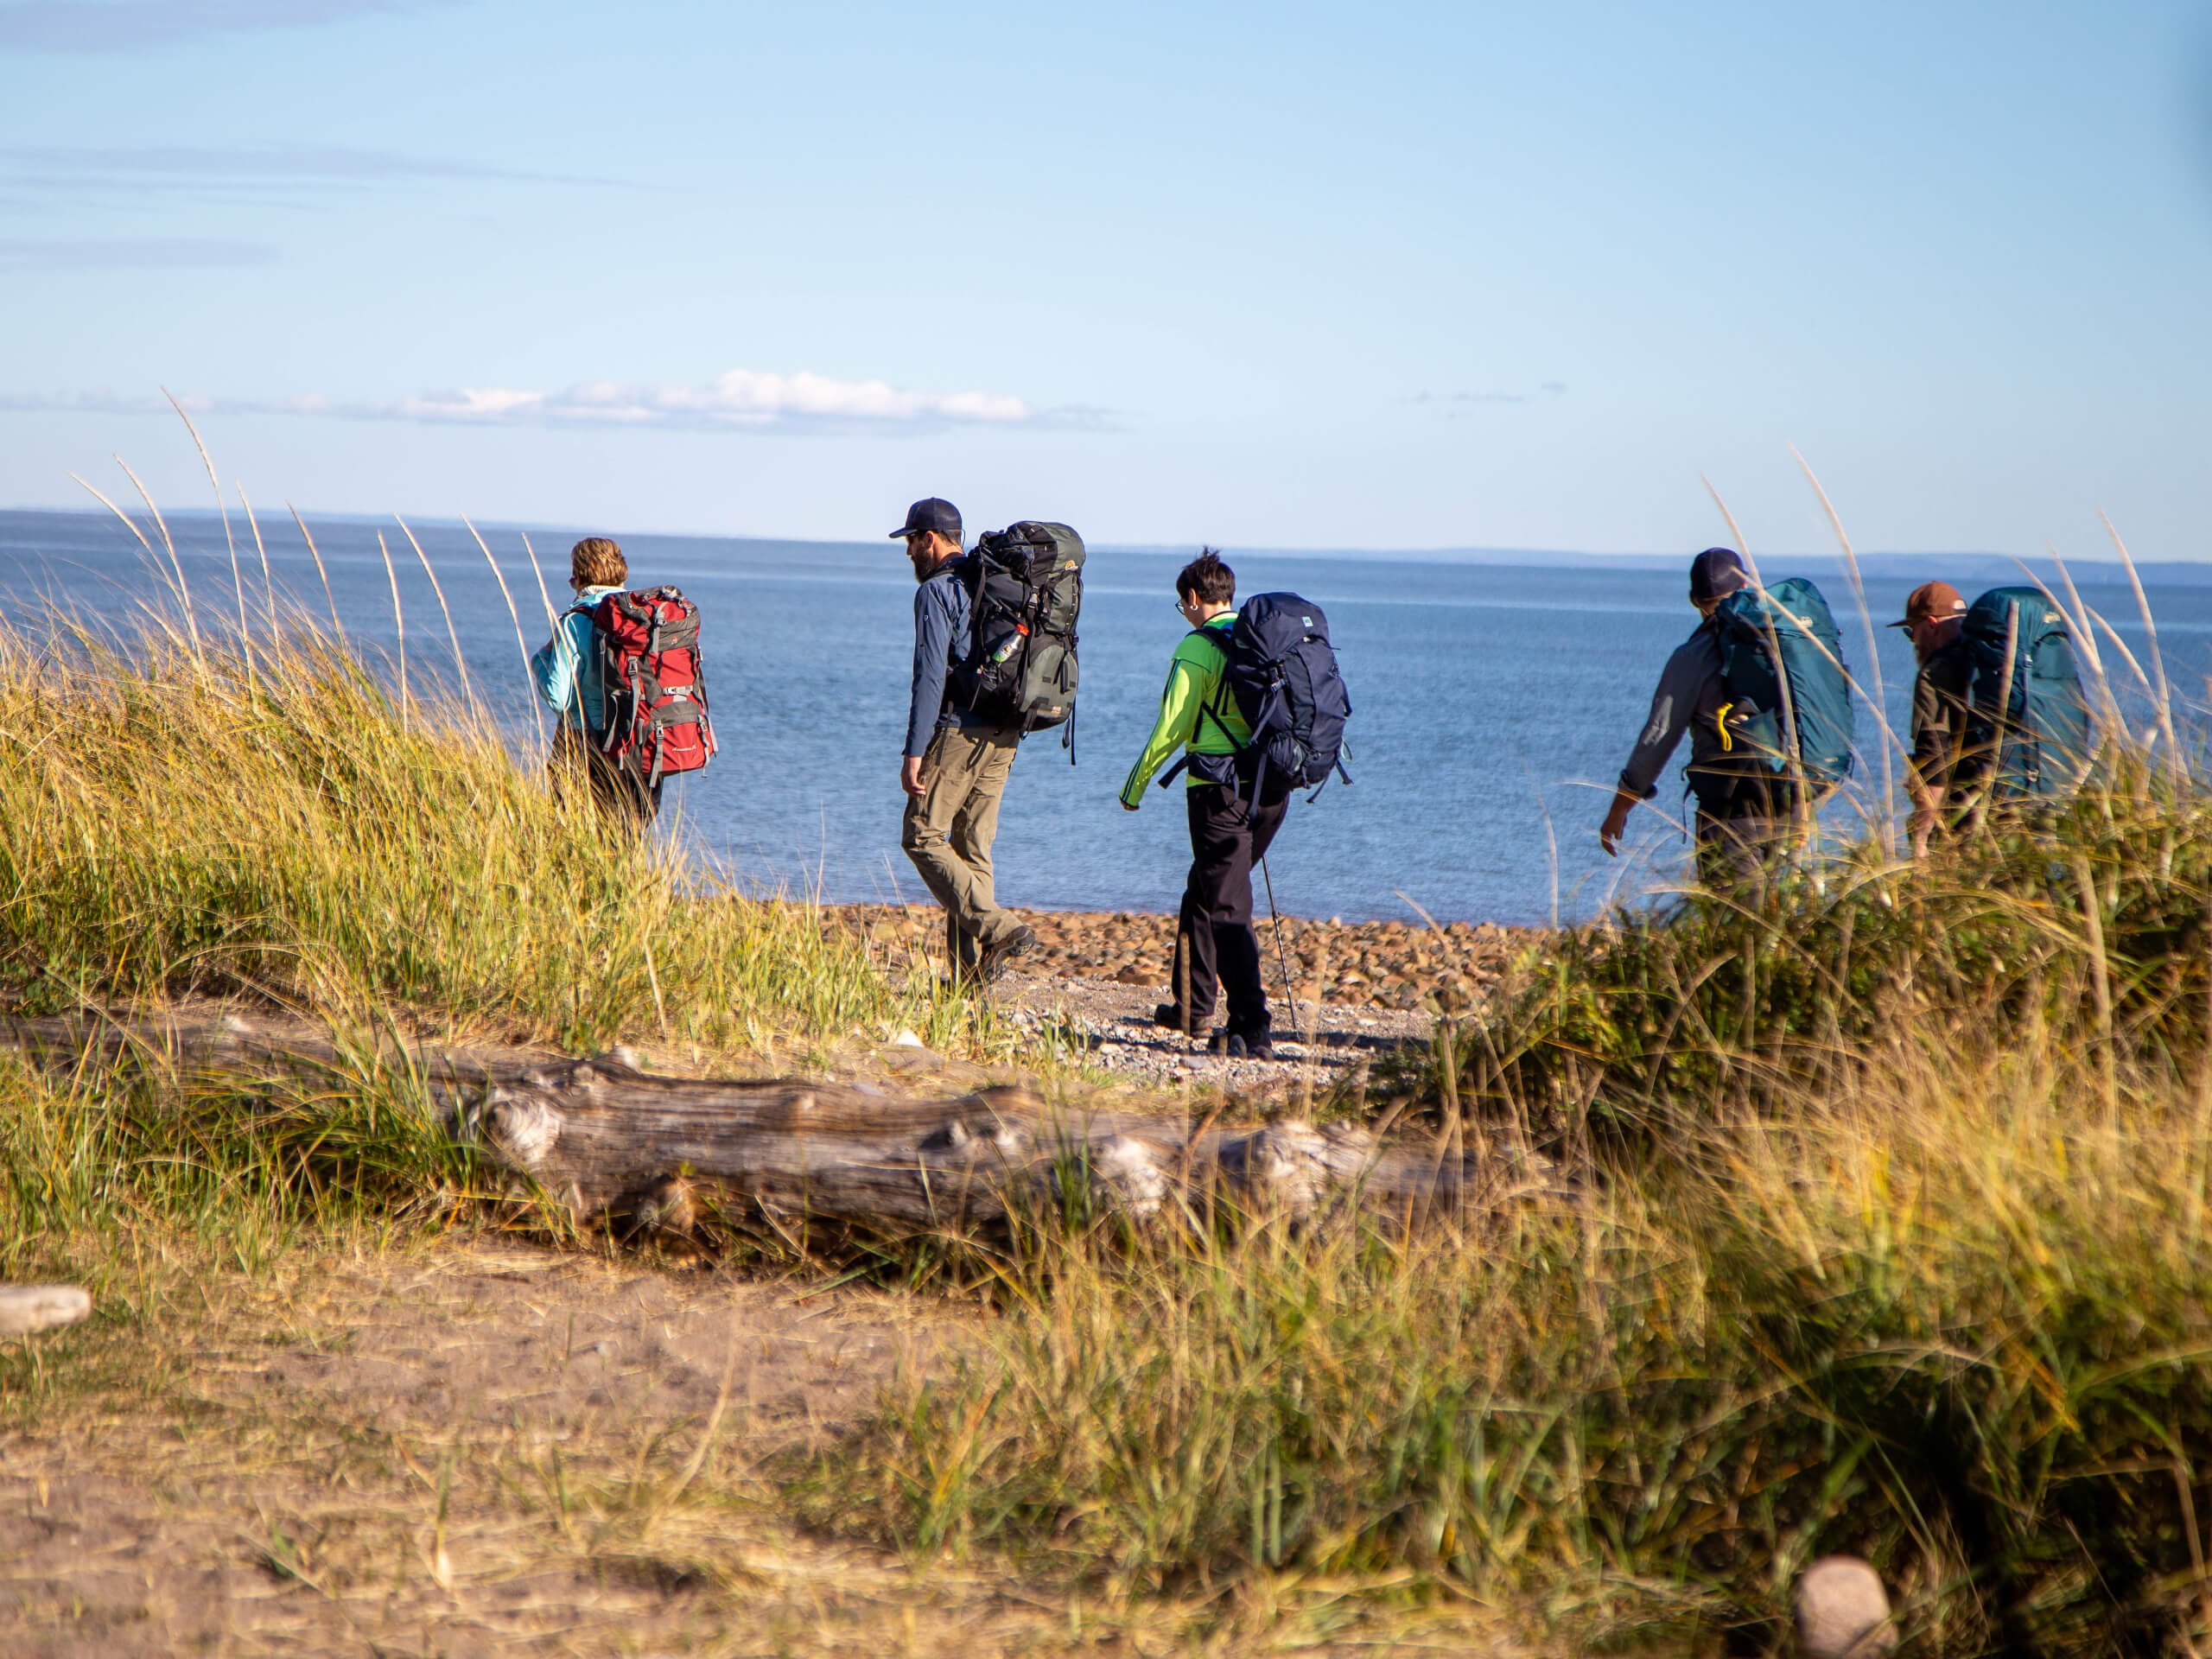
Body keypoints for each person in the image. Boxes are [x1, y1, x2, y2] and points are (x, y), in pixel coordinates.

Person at [1120, 550, 1283, 1059]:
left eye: (1181, 604)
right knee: (1206, 889)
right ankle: (1192, 1007)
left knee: (1227, 904)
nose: (1184, 612)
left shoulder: (1196, 646)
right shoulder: (1266, 641)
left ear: (1192, 598)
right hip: (1274, 791)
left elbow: (1172, 726)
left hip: (1219, 794)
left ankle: (1251, 1027)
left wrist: (1135, 785)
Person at [893, 497, 1038, 984]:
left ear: (929, 540)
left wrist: (914, 753)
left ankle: (1000, 928)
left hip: (962, 731)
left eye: (911, 541)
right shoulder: (990, 581)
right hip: (1007, 731)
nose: (909, 552)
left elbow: (930, 676)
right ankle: (969, 984)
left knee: (922, 835)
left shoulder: (937, 591)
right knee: (972, 849)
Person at [1597, 546, 1784, 879]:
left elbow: (1658, 737)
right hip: (1795, 805)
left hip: (1731, 814)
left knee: (1733, 922)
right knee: (1786, 921)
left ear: (1693, 599)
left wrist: (1619, 809)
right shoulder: (1787, 640)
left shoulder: (1693, 656)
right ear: (1747, 588)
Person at [531, 536, 660, 827]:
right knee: (626, 844)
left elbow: (556, 696)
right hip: (642, 744)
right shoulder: (644, 616)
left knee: (572, 840)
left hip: (585, 743)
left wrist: (539, 660)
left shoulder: (575, 620)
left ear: (578, 577)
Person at [1891, 580, 1976, 854]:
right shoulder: (1986, 653)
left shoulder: (1935, 672)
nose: (1913, 641)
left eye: (1911, 632)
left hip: (1967, 812)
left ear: (1930, 624)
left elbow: (1934, 756)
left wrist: (1921, 837)